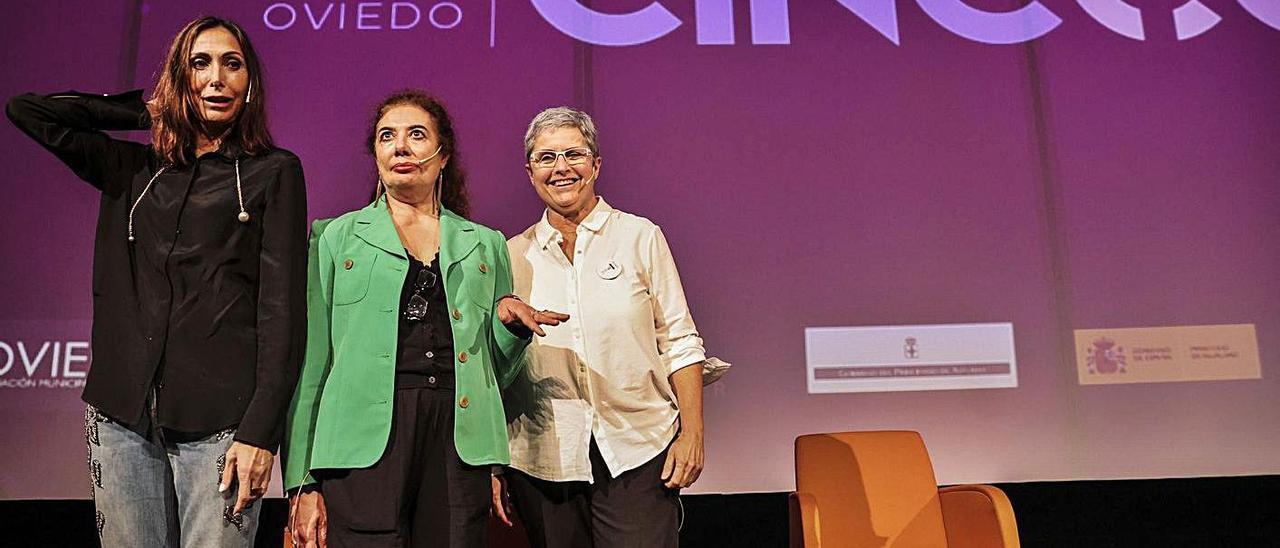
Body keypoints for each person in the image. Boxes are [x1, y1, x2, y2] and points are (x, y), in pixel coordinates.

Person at [5, 16, 307, 547]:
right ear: (179, 78)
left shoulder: (272, 172)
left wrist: (260, 433)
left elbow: (281, 312)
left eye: (232, 65)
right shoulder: (131, 168)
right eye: (200, 64)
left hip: (221, 427)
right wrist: (144, 110)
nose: (217, 78)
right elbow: (27, 110)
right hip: (122, 417)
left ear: (250, 83)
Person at [283, 90, 566, 548]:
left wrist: (510, 329)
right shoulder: (335, 238)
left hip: (457, 442)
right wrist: (302, 481)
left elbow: (495, 372)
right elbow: (312, 364)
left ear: (442, 155)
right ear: (375, 153)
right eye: (386, 136)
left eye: (416, 135)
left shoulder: (485, 244)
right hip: (360, 445)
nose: (400, 147)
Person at [503, 107, 713, 547]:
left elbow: (679, 341)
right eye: (546, 158)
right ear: (530, 172)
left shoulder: (640, 237)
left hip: (638, 449)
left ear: (596, 165)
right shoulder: (511, 255)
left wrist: (692, 433)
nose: (561, 168)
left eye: (573, 155)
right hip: (545, 458)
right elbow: (494, 369)